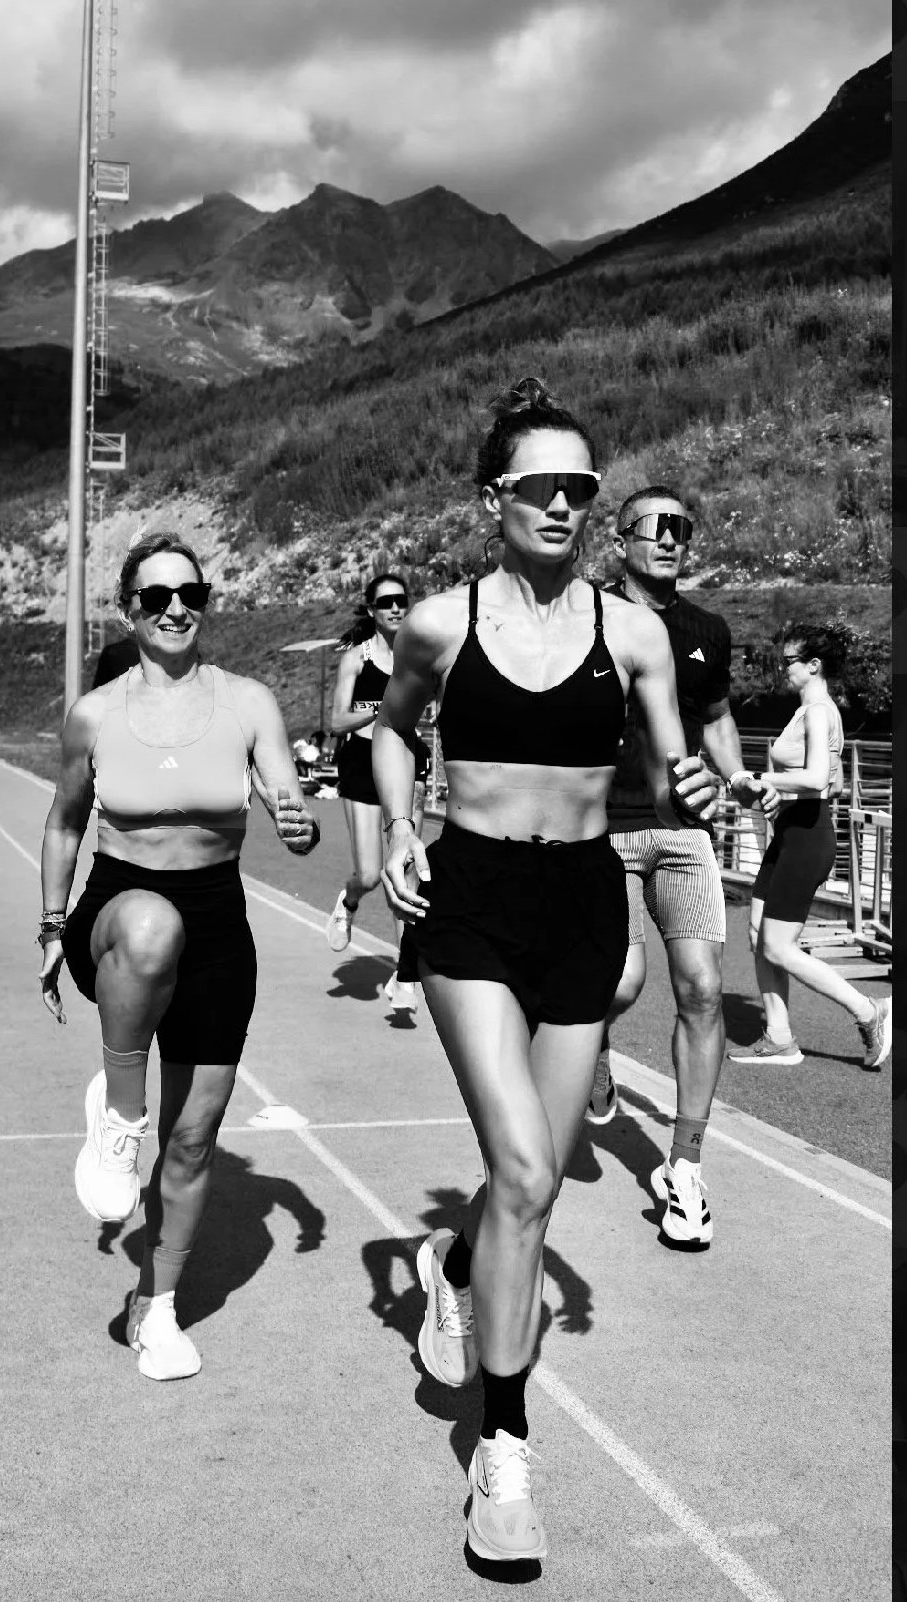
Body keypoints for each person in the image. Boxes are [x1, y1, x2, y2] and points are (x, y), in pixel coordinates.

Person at [375, 379, 718, 1564]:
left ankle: (454, 1262)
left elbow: (675, 769)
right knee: (522, 1164)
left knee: (533, 1192)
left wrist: (704, 788)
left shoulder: (633, 634)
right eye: (544, 485)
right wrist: (395, 829)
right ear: (495, 498)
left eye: (584, 485)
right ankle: (504, 1451)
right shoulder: (438, 622)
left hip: (582, 904)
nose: (568, 503)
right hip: (469, 900)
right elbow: (386, 726)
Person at [38, 534, 320, 1382]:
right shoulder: (95, 713)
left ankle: (155, 1308)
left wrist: (295, 817)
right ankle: (121, 1114)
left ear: (205, 601)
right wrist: (52, 928)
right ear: (129, 607)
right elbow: (63, 823)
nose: (174, 607)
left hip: (218, 923)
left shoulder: (247, 703)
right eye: (155, 595)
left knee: (194, 1138)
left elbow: (284, 792)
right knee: (153, 924)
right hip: (118, 916)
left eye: (189, 592)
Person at [581, 485, 775, 1249]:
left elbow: (718, 715)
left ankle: (685, 1169)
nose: (669, 539)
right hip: (604, 832)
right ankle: (588, 1048)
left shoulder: (706, 629)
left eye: (681, 528)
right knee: (621, 983)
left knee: (702, 990)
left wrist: (738, 778)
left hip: (686, 833)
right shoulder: (587, 615)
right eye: (654, 527)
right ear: (621, 537)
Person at [728, 621, 891, 1069]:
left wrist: (757, 779)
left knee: (779, 946)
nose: (783, 670)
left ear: (813, 665)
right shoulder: (812, 711)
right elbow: (832, 782)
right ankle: (778, 1037)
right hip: (792, 830)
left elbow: (818, 777)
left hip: (807, 837)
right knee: (759, 934)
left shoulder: (818, 711)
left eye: (788, 663)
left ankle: (869, 1010)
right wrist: (780, 792)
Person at [325, 573, 432, 1018]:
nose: (394, 608)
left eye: (400, 600)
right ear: (371, 610)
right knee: (370, 875)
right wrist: (380, 711)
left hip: (408, 763)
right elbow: (337, 720)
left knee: (407, 874)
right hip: (361, 767)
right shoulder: (357, 657)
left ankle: (406, 977)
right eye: (384, 602)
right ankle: (348, 902)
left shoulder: (421, 654)